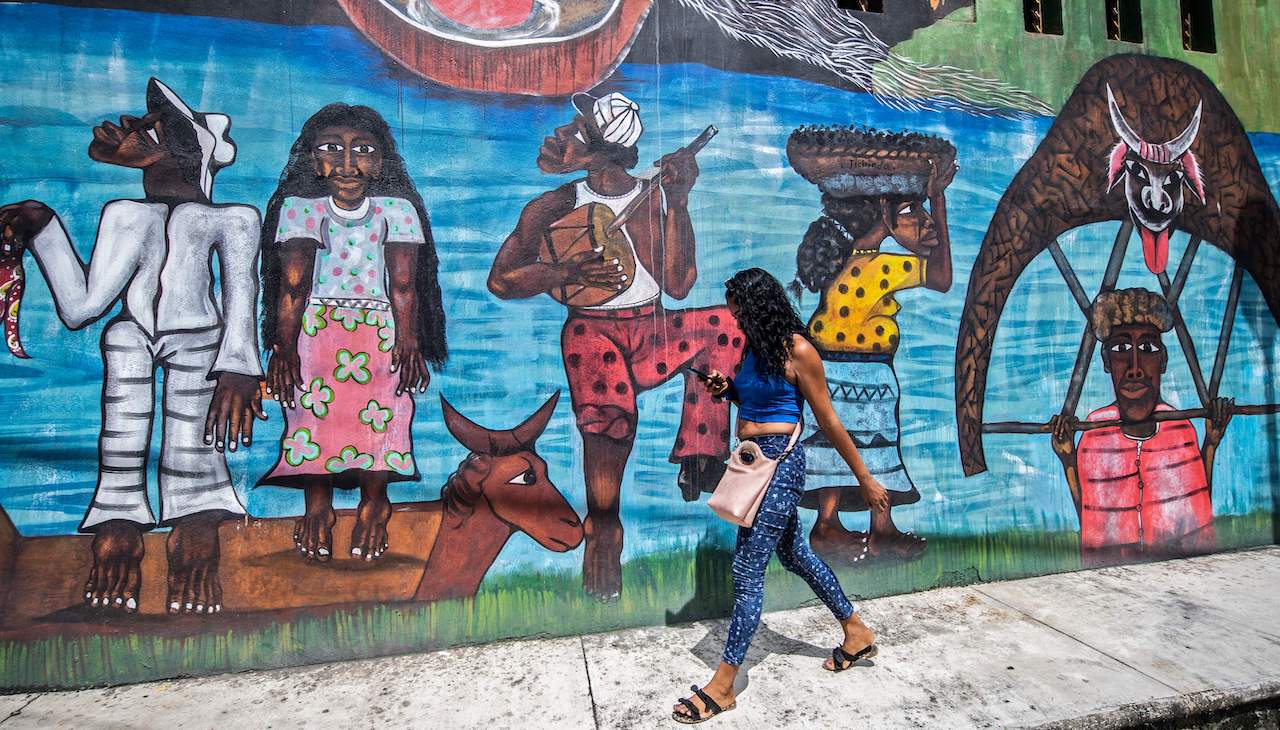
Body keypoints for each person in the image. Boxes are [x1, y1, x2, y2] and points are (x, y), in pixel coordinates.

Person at [0, 78, 263, 614]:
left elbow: (243, 294)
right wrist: (43, 226)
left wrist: (239, 366)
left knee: (196, 435)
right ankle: (118, 523)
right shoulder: (125, 214)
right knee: (122, 431)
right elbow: (81, 307)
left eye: (150, 125)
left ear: (180, 148)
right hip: (131, 335)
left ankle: (195, 523)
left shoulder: (233, 219)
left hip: (201, 340)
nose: (130, 130)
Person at [488, 91, 741, 600]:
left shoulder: (649, 201)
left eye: (574, 131)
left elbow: (679, 285)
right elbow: (502, 280)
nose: (559, 135)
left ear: (601, 150)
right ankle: (604, 530)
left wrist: (680, 201)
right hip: (593, 330)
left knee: (727, 326)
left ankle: (702, 452)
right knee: (608, 421)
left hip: (652, 330)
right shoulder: (554, 206)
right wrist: (562, 272)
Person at [671, 268, 890, 724]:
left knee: (748, 569)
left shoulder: (798, 350)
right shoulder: (756, 350)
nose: (734, 317)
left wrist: (865, 478)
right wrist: (727, 390)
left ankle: (724, 685)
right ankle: (856, 630)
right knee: (793, 554)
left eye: (739, 308)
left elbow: (828, 420)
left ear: (760, 306)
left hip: (779, 465)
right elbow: (756, 402)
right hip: (752, 461)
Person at [257, 104, 447, 563]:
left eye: (362, 150)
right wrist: (284, 350)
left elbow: (404, 286)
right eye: (331, 150)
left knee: (372, 416)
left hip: (373, 332)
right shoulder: (300, 208)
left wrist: (410, 342)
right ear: (311, 160)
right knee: (320, 416)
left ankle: (368, 503)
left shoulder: (396, 210)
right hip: (321, 331)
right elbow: (293, 287)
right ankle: (323, 506)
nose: (347, 163)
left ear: (381, 162)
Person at [793, 143, 956, 562]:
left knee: (839, 450)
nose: (922, 224)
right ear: (883, 213)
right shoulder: (879, 265)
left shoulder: (845, 256)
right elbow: (940, 276)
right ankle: (846, 527)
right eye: (909, 212)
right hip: (861, 372)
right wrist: (938, 201)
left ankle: (846, 525)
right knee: (870, 451)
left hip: (839, 370)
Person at [1049, 288, 1230, 566]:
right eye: (1121, 349)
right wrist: (1068, 461)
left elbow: (1196, 507)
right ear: (1107, 362)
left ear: (1163, 361)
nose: (1135, 368)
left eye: (1148, 349)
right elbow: (1092, 514)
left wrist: (1210, 445)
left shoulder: (1179, 431)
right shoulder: (1096, 434)